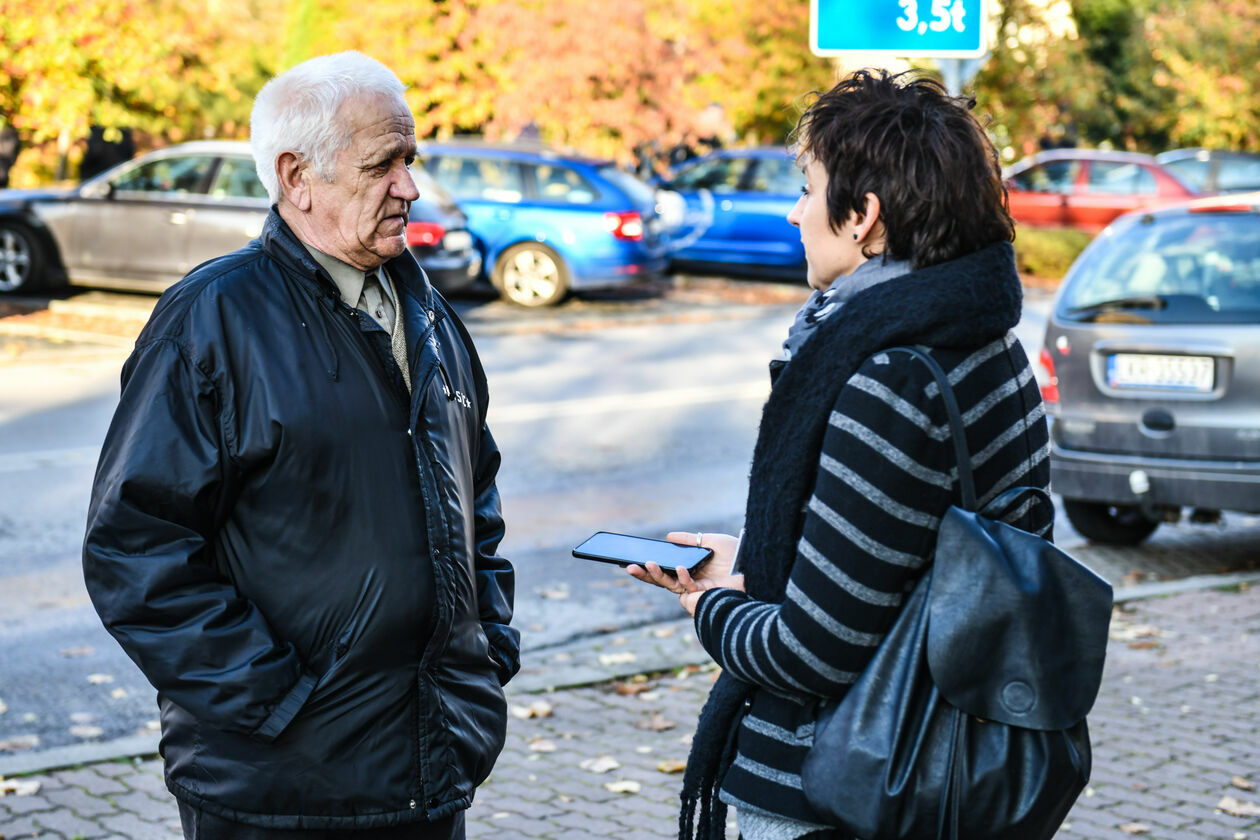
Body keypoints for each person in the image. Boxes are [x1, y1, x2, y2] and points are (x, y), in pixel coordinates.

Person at [82, 52, 519, 840]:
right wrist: (272, 701)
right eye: (383, 164)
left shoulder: (430, 317)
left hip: (429, 772)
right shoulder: (211, 320)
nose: (410, 187)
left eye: (410, 160)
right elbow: (134, 546)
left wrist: (486, 651)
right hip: (274, 790)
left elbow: (474, 500)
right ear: (296, 176)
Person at [629, 69, 1053, 840]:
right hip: (947, 766)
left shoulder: (887, 379)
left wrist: (708, 604)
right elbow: (898, 567)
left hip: (838, 787)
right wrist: (755, 563)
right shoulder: (991, 344)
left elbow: (811, 653)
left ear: (863, 216)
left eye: (807, 188)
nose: (794, 213)